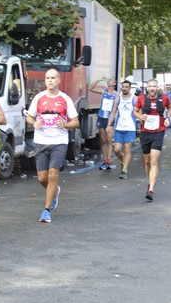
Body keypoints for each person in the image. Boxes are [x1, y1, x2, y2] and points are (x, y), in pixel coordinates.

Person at [25, 69, 79, 223]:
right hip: (41, 141)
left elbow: (76, 122)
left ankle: (46, 211)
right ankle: (54, 191)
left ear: (58, 80)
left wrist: (66, 124)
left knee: (53, 174)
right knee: (42, 178)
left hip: (59, 142)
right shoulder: (39, 98)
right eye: (47, 78)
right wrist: (35, 122)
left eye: (53, 78)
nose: (50, 81)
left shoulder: (65, 99)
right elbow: (29, 117)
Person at [133, 79, 171, 201]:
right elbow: (134, 111)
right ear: (147, 88)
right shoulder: (141, 98)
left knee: (154, 161)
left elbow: (170, 107)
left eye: (154, 86)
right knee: (147, 161)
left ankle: (151, 190)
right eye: (150, 86)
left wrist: (168, 118)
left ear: (157, 87)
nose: (152, 88)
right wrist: (140, 116)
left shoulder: (164, 98)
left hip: (159, 132)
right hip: (145, 132)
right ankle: (151, 181)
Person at [106, 80, 136, 179]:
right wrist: (109, 125)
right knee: (117, 149)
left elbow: (138, 112)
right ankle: (124, 163)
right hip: (119, 127)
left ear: (129, 88)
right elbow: (113, 112)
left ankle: (124, 171)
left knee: (127, 148)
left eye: (126, 87)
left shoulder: (134, 99)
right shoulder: (118, 98)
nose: (124, 88)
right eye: (123, 87)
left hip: (130, 127)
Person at [89, 76, 117, 170]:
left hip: (110, 118)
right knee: (103, 140)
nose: (109, 80)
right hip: (102, 117)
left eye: (111, 79)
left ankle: (108, 161)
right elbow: (90, 88)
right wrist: (98, 80)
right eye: (108, 79)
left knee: (109, 140)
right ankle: (105, 161)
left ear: (114, 83)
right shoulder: (103, 91)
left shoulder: (116, 94)